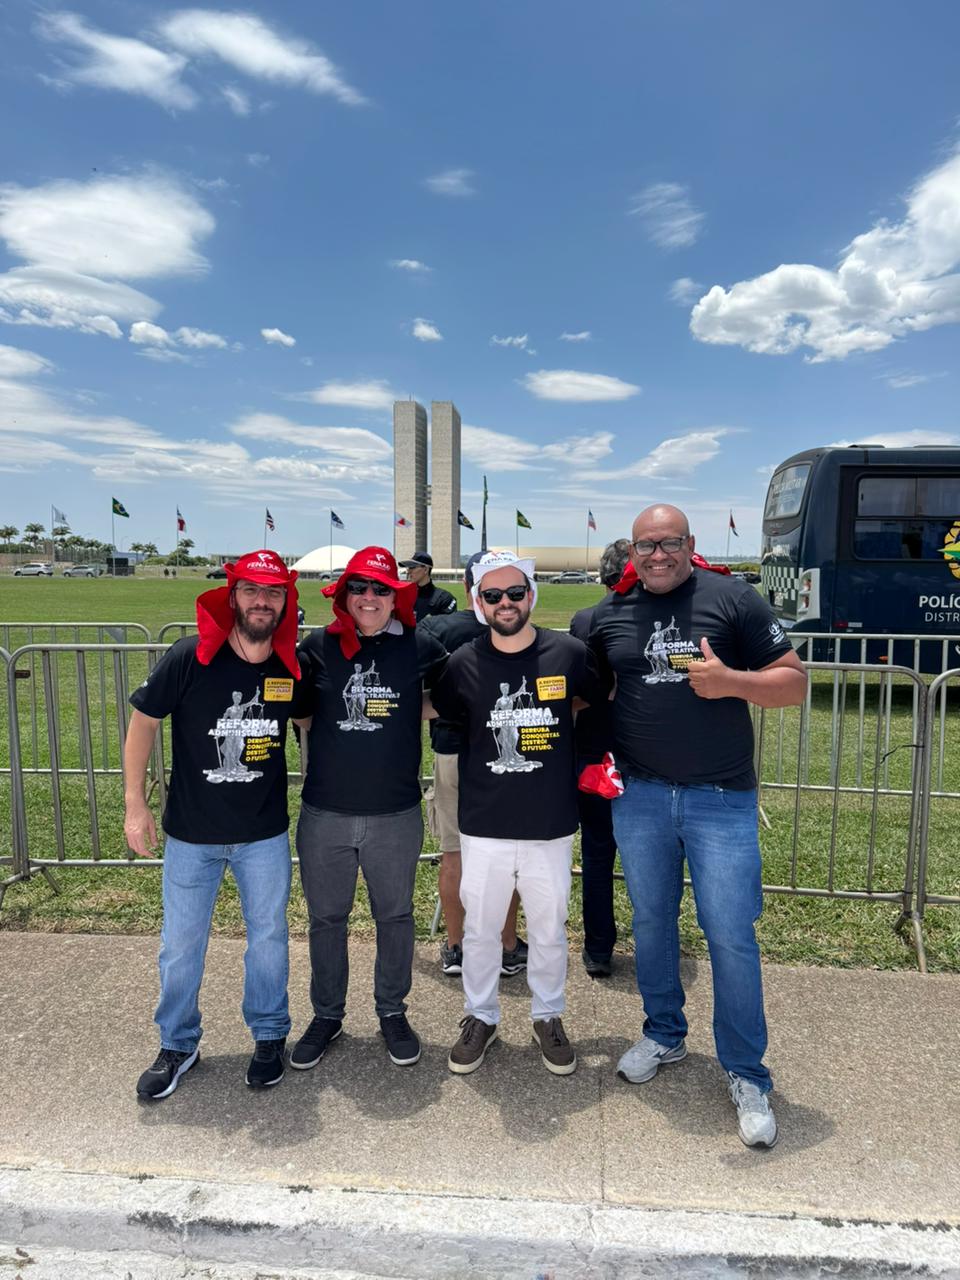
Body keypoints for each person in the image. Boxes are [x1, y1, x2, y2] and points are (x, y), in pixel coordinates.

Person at [588, 505, 807, 1148]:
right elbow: (592, 690)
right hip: (641, 797)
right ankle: (664, 1033)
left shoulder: (731, 599)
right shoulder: (611, 614)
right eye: (646, 545)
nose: (657, 555)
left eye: (669, 543)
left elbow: (794, 683)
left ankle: (746, 1072)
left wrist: (731, 681)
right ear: (632, 551)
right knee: (652, 922)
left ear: (690, 544)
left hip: (720, 800)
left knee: (730, 935)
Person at [124, 550, 307, 1100]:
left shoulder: (287, 666)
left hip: (263, 834)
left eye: (272, 593)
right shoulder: (190, 656)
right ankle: (177, 1043)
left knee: (268, 939)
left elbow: (308, 719)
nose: (261, 601)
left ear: (285, 603)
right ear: (233, 597)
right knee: (181, 945)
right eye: (251, 590)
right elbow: (143, 721)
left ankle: (269, 1036)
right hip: (192, 833)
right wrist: (135, 803)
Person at [427, 550, 605, 1077]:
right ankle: (480, 1015)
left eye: (515, 592)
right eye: (492, 594)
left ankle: (547, 1015)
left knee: (549, 929)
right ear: (478, 602)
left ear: (531, 594)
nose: (505, 602)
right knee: (481, 930)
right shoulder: (462, 662)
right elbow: (448, 711)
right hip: (485, 824)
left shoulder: (568, 653)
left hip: (550, 821)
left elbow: (595, 696)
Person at [291, 547, 447, 1071]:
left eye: (381, 588)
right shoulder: (319, 645)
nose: (370, 597)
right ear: (344, 595)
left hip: (394, 812)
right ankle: (327, 1015)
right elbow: (303, 714)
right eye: (359, 587)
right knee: (326, 919)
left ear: (396, 596)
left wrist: (407, 711)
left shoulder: (419, 645)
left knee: (394, 916)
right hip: (326, 811)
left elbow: (452, 692)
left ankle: (392, 1011)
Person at [420, 553, 526, 979]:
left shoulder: (437, 629)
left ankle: (457, 946)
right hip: (496, 754)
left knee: (454, 853)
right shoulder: (515, 627)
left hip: (452, 749)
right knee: (507, 853)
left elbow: (415, 688)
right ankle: (506, 946)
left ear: (466, 586)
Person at [569, 538, 632, 978]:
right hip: (635, 751)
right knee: (654, 858)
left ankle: (598, 947)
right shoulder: (598, 619)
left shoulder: (585, 618)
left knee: (597, 851)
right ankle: (651, 943)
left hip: (595, 748)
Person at [399, 551, 457, 621]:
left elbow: (450, 626)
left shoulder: (445, 599)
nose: (408, 571)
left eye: (412, 567)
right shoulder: (405, 597)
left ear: (426, 570)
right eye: (408, 568)